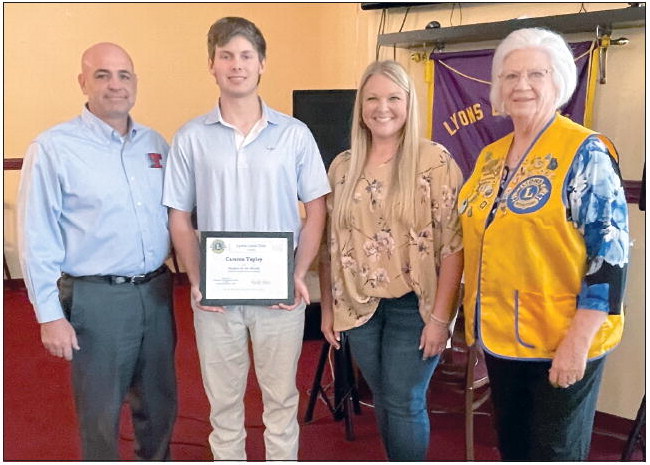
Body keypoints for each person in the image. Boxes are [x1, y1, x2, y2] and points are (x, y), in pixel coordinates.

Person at [162, 17, 330, 461]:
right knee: (223, 406)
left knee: (280, 402)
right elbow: (179, 217)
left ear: (262, 64)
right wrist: (196, 278)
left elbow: (317, 211)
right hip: (216, 298)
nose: (236, 65)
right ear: (212, 65)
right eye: (226, 56)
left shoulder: (294, 135)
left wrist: (297, 273)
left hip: (280, 296)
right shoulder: (191, 138)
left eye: (245, 56)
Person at [458, 27, 629, 461]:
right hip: (502, 335)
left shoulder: (584, 151)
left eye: (537, 74)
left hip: (562, 338)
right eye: (510, 76)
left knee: (552, 451)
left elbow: (609, 256)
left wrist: (577, 343)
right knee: (514, 447)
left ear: (559, 82)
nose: (522, 85)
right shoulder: (491, 156)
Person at [17, 43, 177, 460]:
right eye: (103, 75)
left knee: (160, 405)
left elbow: (175, 220)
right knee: (101, 412)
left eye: (124, 75)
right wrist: (49, 316)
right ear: (82, 82)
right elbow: (36, 236)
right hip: (98, 299)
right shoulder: (54, 148)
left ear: (135, 83)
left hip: (158, 293)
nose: (115, 85)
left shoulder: (155, 144)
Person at [319, 60, 464, 461]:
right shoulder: (342, 167)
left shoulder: (434, 161)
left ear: (408, 103)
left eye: (393, 98)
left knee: (403, 399)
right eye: (373, 99)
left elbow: (454, 246)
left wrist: (441, 318)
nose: (382, 108)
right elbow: (331, 245)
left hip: (415, 308)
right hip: (359, 307)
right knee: (384, 397)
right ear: (360, 107)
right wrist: (328, 310)